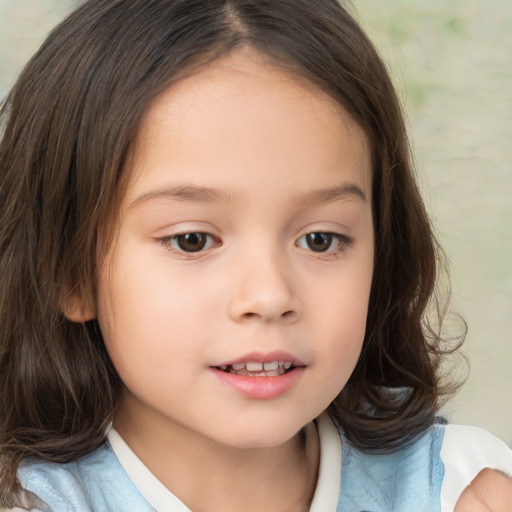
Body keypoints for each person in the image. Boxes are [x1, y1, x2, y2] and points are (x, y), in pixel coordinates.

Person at [0, 1, 511, 511]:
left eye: (320, 239)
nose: (269, 296)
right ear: (70, 271)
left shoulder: (459, 488)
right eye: (192, 240)